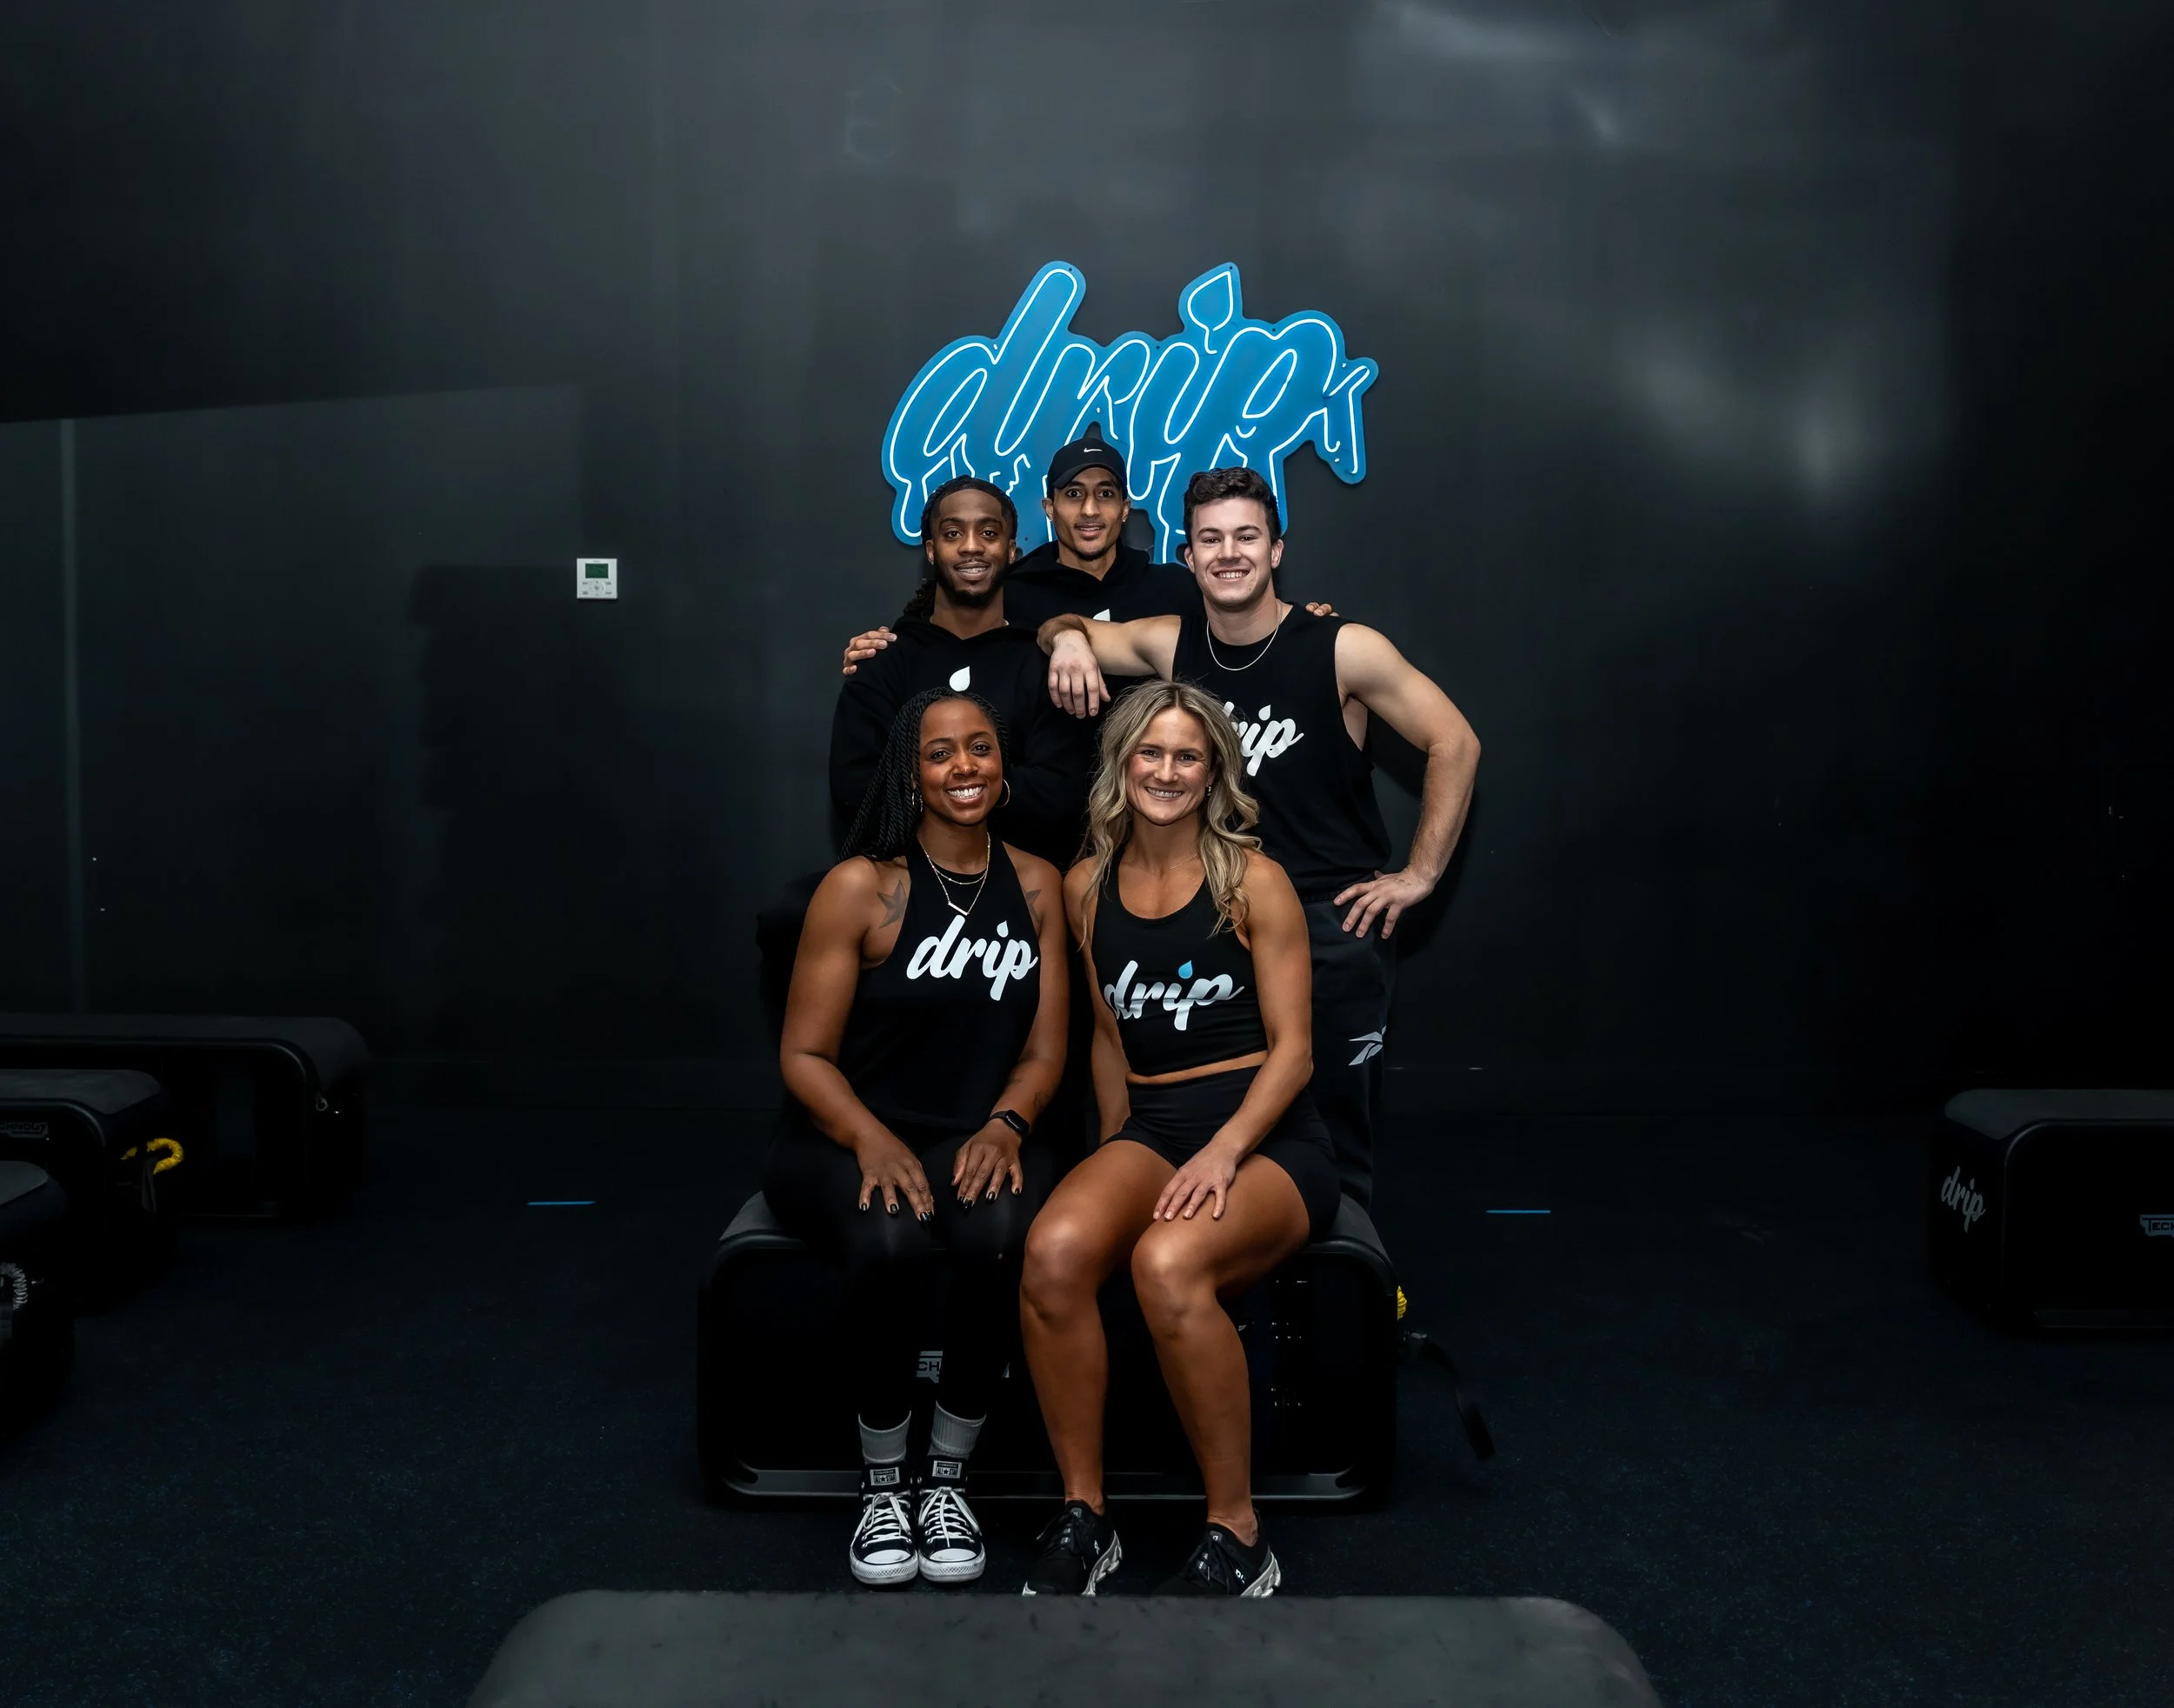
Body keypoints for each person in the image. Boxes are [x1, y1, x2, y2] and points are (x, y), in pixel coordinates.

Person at [1037, 466, 1481, 1207]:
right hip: (1209, 923)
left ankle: (1346, 1300)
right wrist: (1072, 646)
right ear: (1188, 557)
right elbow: (1063, 624)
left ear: (1278, 549)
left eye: (1247, 536)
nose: (1229, 553)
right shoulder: (1168, 644)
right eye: (1210, 539)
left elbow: (1454, 742)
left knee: (1332, 1133)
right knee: (1218, 1123)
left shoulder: (1343, 648)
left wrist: (1421, 874)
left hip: (1326, 917)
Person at [1018, 681, 1337, 1597]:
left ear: (1213, 771)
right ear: (1121, 761)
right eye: (1148, 752)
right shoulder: (1085, 884)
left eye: (1186, 755)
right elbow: (1110, 1035)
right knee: (1053, 1249)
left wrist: (1225, 1151)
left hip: (1269, 1138)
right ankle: (1086, 1513)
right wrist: (1117, 1156)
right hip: (1155, 1123)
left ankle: (1238, 1534)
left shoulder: (1252, 878)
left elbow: (1296, 1053)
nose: (1165, 770)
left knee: (1164, 1261)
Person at [772, 686, 1070, 1586]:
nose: (963, 767)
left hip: (976, 1132)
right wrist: (868, 1138)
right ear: (911, 772)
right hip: (843, 1133)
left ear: (1003, 764)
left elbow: (1046, 1046)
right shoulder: (862, 886)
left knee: (995, 1230)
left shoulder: (1037, 883)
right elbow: (804, 1054)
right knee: (893, 1236)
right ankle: (881, 1482)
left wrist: (1008, 1123)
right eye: (939, 753)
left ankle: (947, 1476)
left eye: (979, 747)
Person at [827, 477, 1082, 866]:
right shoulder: (884, 661)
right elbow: (857, 789)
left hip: (1022, 890)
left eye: (989, 532)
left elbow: (1062, 791)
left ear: (1011, 550)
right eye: (952, 533)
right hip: (907, 884)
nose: (971, 546)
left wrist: (943, 789)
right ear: (931, 550)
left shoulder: (1045, 665)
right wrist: (992, 788)